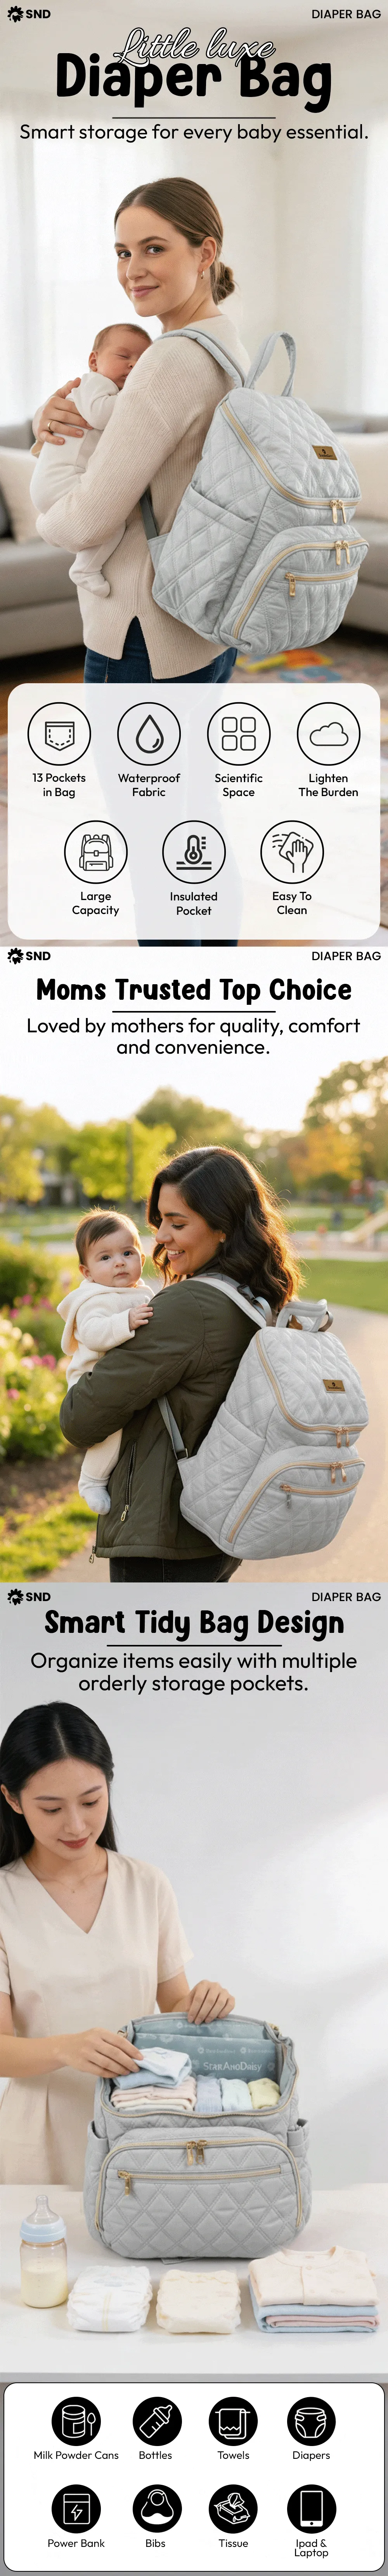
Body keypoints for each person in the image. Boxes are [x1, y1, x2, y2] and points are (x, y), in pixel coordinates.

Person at [0, 1705, 235, 2186]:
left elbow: (175, 2007)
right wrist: (66, 2048)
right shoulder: (5, 1898)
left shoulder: (146, 1884)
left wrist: (206, 2002)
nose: (76, 1825)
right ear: (12, 1799)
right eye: (52, 1808)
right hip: (40, 2138)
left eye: (91, 1801)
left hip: (140, 2120)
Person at [30, 176, 249, 685]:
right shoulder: (228, 348)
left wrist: (44, 521)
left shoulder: (167, 362)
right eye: (123, 253)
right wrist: (50, 425)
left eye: (154, 248)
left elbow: (85, 524)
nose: (132, 270)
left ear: (205, 253)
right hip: (208, 620)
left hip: (141, 629)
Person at [59, 1146, 300, 1583]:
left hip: (163, 1536)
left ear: (223, 1226)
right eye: (160, 1222)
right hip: (210, 1527)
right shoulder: (251, 1297)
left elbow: (79, 1418)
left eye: (178, 1223)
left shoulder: (190, 1307)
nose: (161, 1238)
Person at [30, 320, 151, 598]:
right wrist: (139, 397)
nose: (134, 365)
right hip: (61, 481)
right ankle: (85, 569)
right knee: (109, 519)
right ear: (94, 361)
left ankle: (85, 568)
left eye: (142, 361)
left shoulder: (108, 390)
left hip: (56, 483)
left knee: (111, 523)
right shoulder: (94, 383)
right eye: (124, 356)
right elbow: (100, 415)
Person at [58, 1208, 153, 1517]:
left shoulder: (139, 1292)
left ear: (142, 1258)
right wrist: (126, 1321)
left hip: (121, 1378)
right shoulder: (95, 1299)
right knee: (112, 1432)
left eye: (127, 1253)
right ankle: (91, 1480)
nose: (119, 1262)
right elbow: (94, 1334)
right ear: (87, 1273)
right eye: (106, 1258)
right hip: (91, 1381)